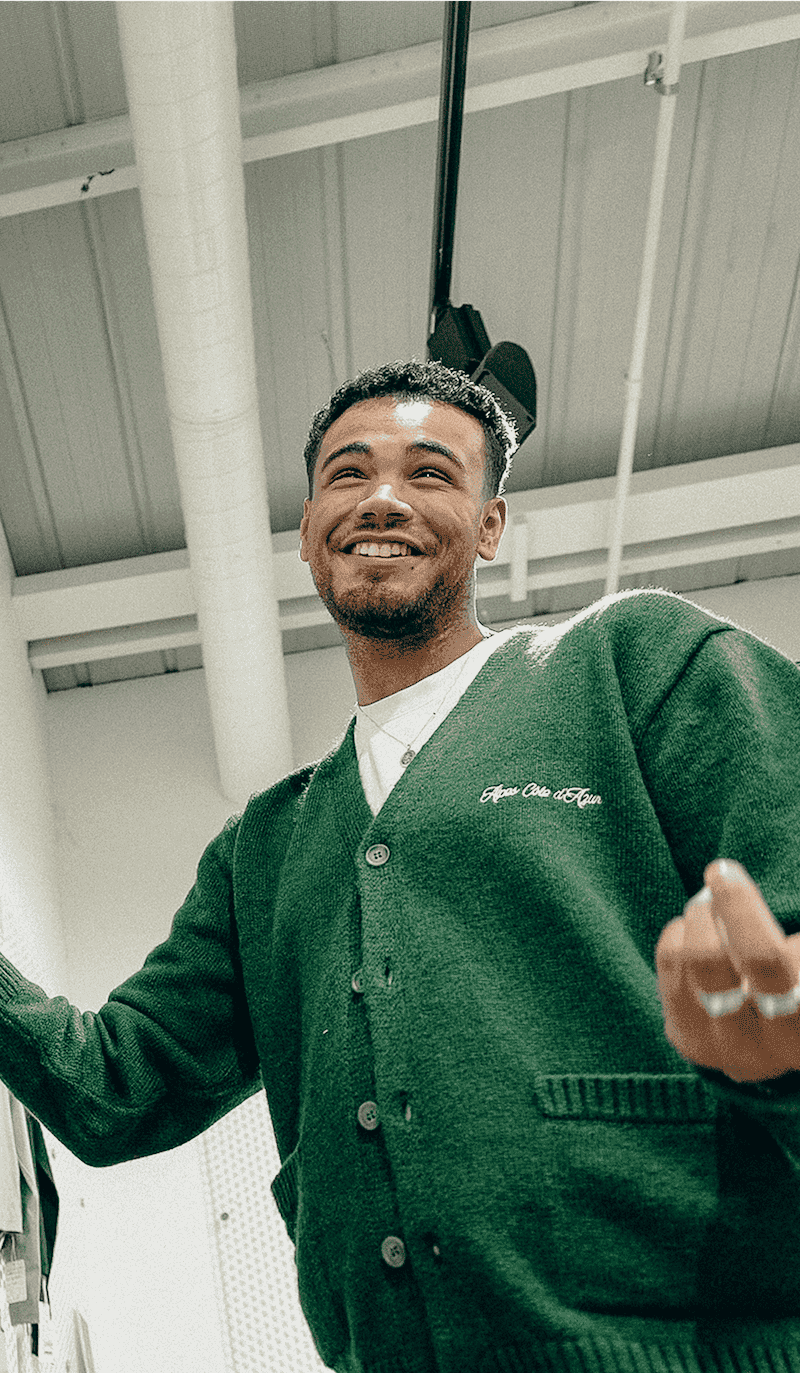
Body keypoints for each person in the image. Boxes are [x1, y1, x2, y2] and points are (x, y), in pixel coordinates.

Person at [1, 358, 800, 1373]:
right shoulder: (265, 847)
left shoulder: (638, 665)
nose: (381, 495)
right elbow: (111, 1090)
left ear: (491, 523)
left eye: (429, 472)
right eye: (347, 473)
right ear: (305, 531)